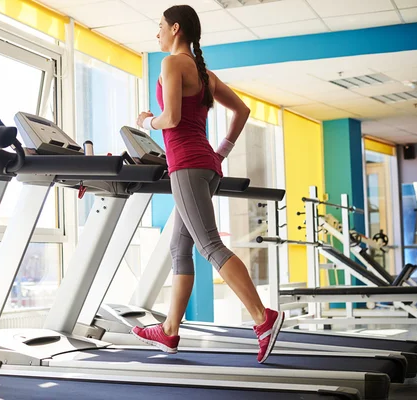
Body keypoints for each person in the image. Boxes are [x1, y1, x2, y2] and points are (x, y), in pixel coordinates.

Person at [132, 4, 283, 364]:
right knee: (179, 249)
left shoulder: (171, 64)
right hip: (207, 164)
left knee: (210, 246)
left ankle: (263, 319)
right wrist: (222, 151)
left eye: (160, 26)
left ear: (176, 28)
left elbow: (171, 118)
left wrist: (146, 121)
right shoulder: (205, 74)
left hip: (185, 165)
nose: (157, 33)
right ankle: (169, 331)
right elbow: (242, 111)